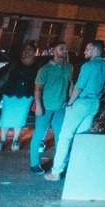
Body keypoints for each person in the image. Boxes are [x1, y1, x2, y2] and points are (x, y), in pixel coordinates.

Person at [46, 39, 105, 180]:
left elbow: (79, 86)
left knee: (65, 136)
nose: (84, 52)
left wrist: (70, 103)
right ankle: (77, 169)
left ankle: (56, 170)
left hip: (81, 102)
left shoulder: (88, 66)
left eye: (87, 49)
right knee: (81, 137)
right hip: (94, 103)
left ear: (95, 50)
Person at [0, 41, 41, 153]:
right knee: (5, 116)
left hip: (26, 95)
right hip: (10, 93)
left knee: (20, 117)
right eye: (25, 49)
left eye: (30, 50)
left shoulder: (38, 65)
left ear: (35, 52)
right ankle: (2, 140)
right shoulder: (15, 63)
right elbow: (5, 77)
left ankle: (15, 140)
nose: (27, 51)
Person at [31, 40, 73, 174]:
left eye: (66, 49)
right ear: (53, 51)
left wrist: (70, 102)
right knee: (39, 134)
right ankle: (34, 164)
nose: (64, 51)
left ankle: (58, 162)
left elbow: (70, 84)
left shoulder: (69, 67)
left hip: (60, 108)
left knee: (60, 136)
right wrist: (38, 105)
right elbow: (38, 88)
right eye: (61, 48)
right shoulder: (45, 70)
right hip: (46, 107)